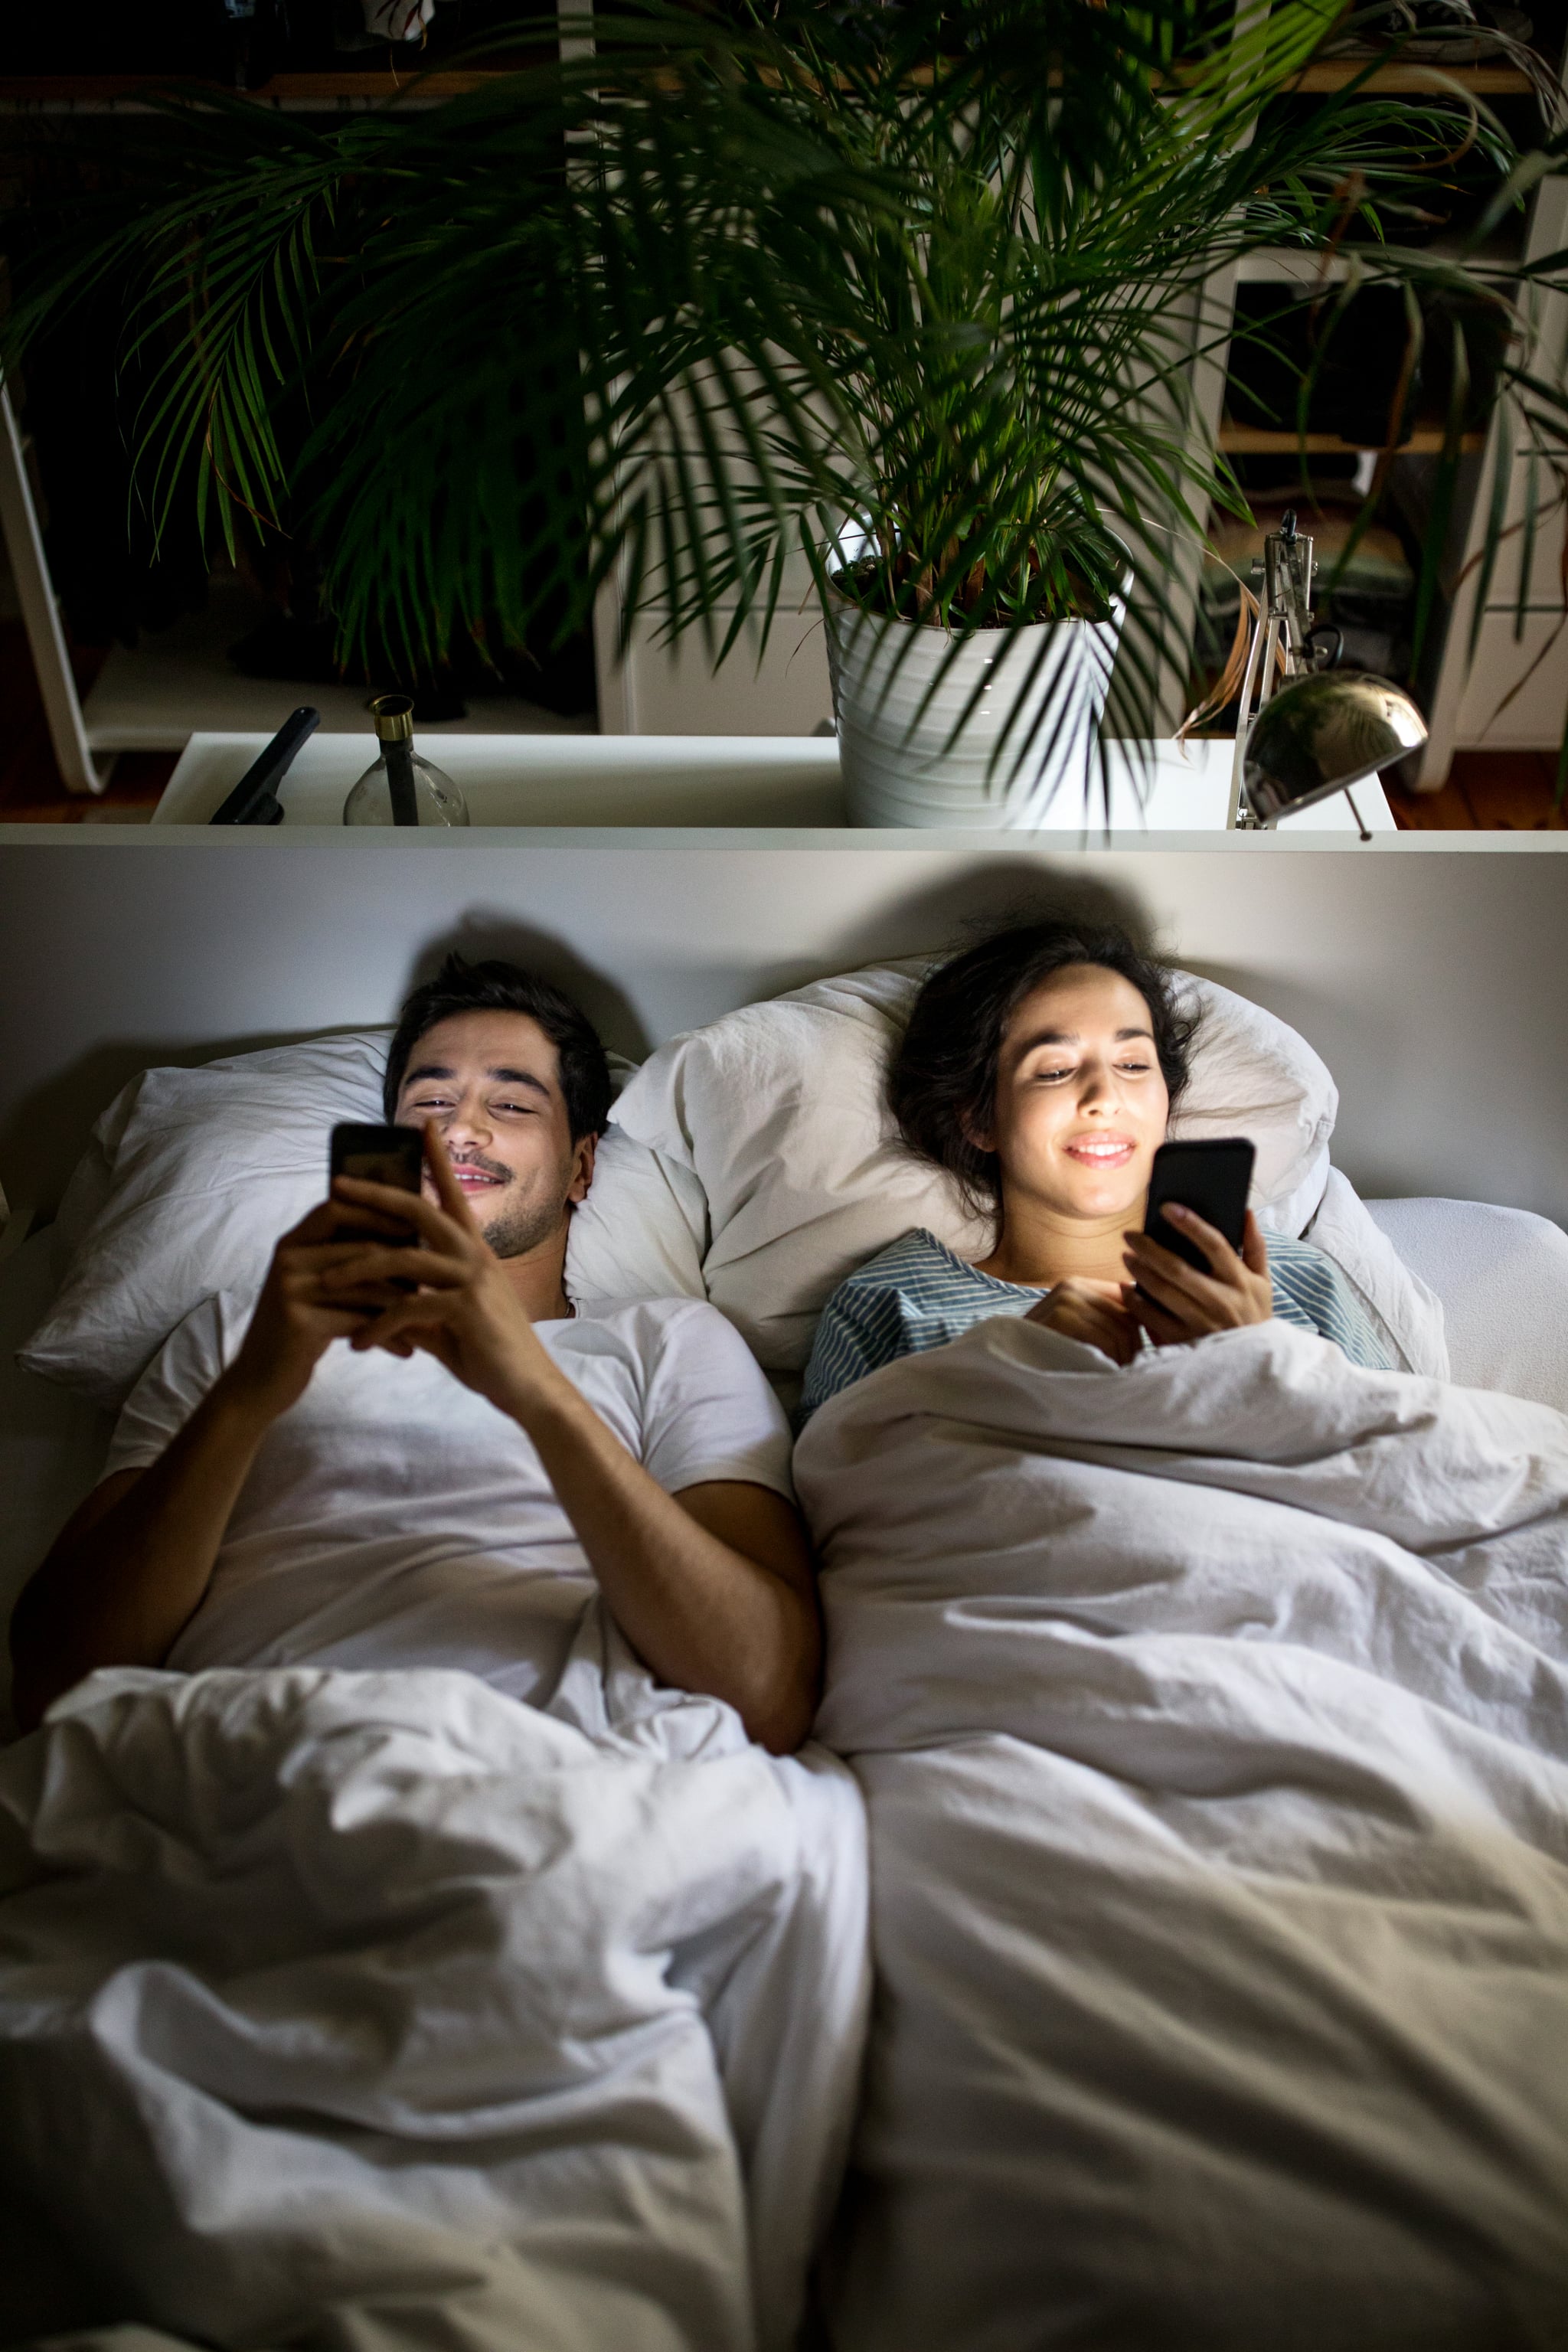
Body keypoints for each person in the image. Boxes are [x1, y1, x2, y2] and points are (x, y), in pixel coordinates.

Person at [11, 956, 820, 1751]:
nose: (459, 1129)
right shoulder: (234, 1336)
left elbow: (764, 1696)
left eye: (509, 1104)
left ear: (580, 1167)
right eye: (431, 1099)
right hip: (250, 1761)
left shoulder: (668, 1343)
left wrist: (534, 1391)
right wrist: (255, 1389)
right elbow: (55, 1684)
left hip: (558, 1776)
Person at [800, 919, 1395, 1419]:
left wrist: (1256, 1359)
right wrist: (1012, 1372)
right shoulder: (896, 1302)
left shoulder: (1294, 1280)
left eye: (1134, 1065)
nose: (1104, 1096)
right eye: (1055, 1070)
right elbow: (847, 1519)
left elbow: (1416, 1479)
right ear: (980, 1120)